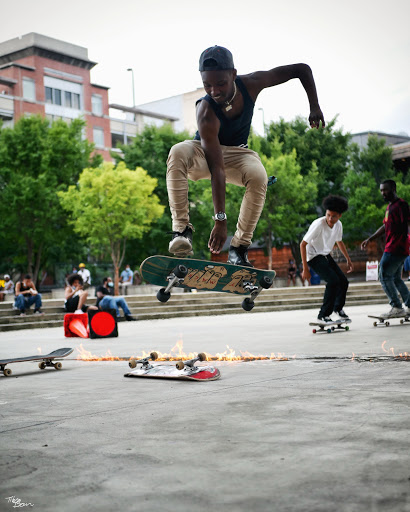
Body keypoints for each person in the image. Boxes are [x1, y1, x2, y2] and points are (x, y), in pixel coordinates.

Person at [166, 45, 325, 266]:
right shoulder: (205, 110)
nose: (214, 91)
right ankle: (181, 231)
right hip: (204, 154)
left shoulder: (252, 83)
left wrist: (314, 105)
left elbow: (301, 69)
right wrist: (220, 220)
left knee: (259, 175)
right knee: (178, 151)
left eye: (220, 83)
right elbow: (217, 169)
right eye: (207, 85)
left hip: (239, 153)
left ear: (233, 74)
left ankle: (239, 248)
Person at [300, 195, 353, 324]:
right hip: (313, 256)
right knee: (333, 281)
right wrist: (305, 269)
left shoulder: (338, 225)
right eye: (328, 215)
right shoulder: (319, 224)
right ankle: (323, 314)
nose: (330, 218)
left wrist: (348, 259)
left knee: (343, 281)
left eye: (333, 216)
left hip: (325, 255)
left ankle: (338, 308)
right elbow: (302, 244)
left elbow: (339, 241)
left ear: (339, 215)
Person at [361, 180, 410, 318]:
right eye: (381, 190)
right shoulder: (389, 207)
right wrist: (370, 238)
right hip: (396, 248)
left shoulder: (401, 205)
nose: (383, 193)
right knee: (395, 278)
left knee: (383, 276)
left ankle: (396, 306)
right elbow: (385, 227)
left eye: (385, 190)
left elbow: (408, 222)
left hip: (397, 247)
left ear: (393, 189)